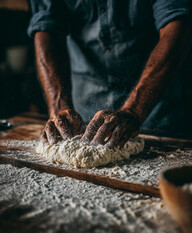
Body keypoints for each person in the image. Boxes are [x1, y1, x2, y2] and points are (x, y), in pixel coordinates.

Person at [28, 0, 192, 148]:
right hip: (84, 111)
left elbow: (177, 25)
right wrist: (60, 108)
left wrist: (133, 111)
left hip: (154, 108)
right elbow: (47, 27)